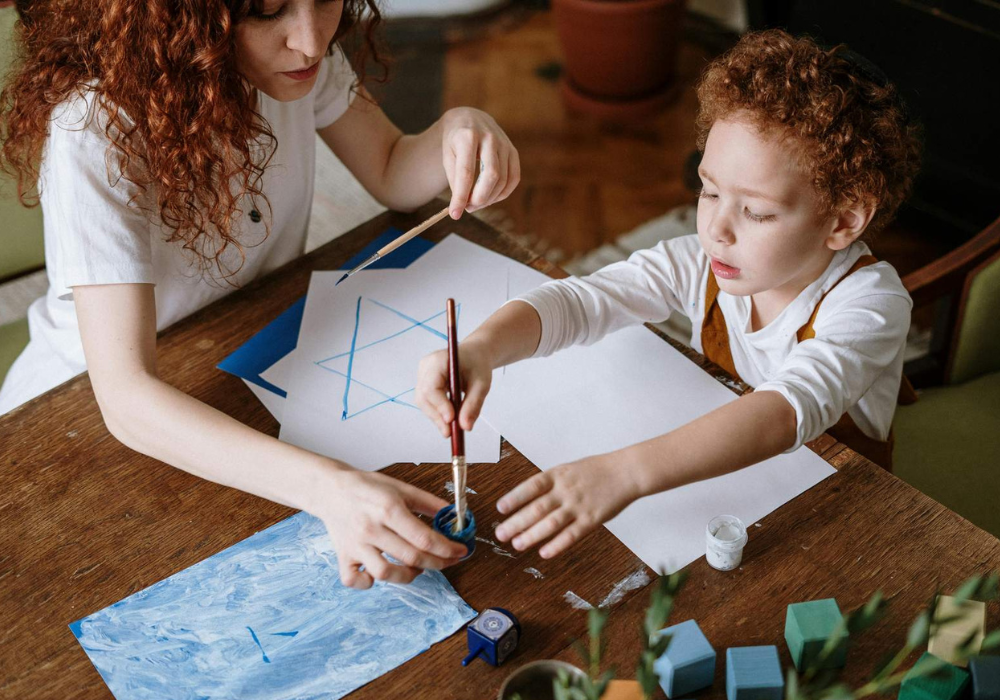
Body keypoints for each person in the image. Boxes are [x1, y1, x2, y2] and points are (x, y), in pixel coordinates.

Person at [0, 0, 520, 588]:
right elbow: (124, 398)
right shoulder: (95, 130)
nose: (311, 41)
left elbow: (393, 171)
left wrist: (460, 128)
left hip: (248, 350)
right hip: (76, 420)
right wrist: (330, 488)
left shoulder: (294, 62)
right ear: (179, 18)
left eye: (325, 0)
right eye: (268, 10)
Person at [416, 29, 921, 560]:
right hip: (735, 485)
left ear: (843, 220)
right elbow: (585, 300)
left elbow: (784, 411)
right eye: (709, 191)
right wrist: (482, 349)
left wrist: (623, 472)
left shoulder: (870, 303)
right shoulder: (701, 262)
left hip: (845, 506)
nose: (717, 229)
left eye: (756, 211)